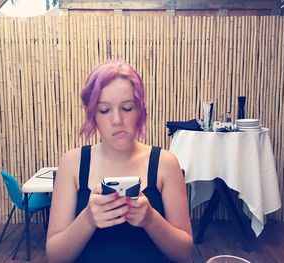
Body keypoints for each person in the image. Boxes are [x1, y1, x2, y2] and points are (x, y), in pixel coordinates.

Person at [46, 60, 193, 263]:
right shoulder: (72, 163)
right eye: (104, 110)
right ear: (93, 115)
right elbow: (55, 257)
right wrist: (88, 219)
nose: (116, 120)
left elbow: (184, 252)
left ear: (140, 111)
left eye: (127, 108)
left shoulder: (165, 163)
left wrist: (151, 219)